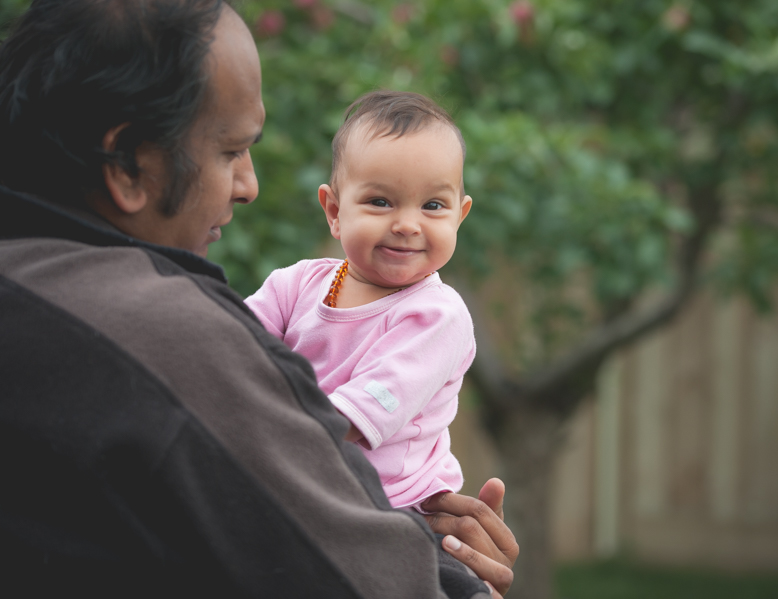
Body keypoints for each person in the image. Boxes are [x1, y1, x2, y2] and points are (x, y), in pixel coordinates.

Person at [0, 1, 516, 597]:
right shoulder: (160, 334)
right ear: (129, 163)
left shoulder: (31, 289)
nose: (249, 185)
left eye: (433, 205)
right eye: (230, 151)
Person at [245, 90, 473, 514]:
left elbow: (357, 415)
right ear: (334, 211)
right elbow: (229, 344)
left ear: (459, 216)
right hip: (303, 481)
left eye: (432, 205)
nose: (407, 224)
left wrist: (264, 426)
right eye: (380, 202)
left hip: (395, 507)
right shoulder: (295, 285)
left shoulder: (439, 317)